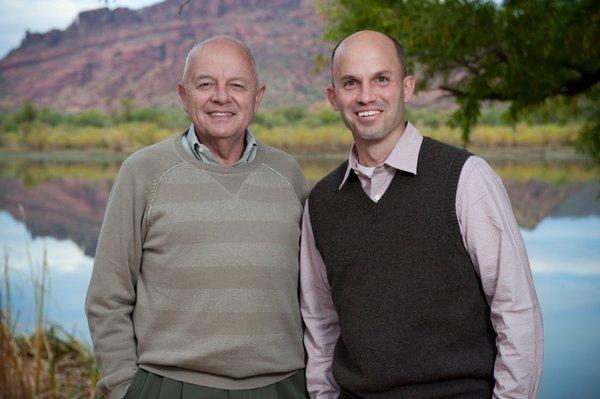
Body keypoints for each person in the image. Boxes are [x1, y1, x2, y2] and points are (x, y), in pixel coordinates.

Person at [300, 30, 543, 398]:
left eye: (381, 79)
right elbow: (321, 327)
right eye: (351, 83)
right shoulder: (321, 202)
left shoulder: (465, 178)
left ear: (407, 87)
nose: (366, 96)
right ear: (333, 97)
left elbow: (516, 310)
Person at [86, 36, 309, 399]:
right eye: (205, 84)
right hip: (170, 386)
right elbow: (107, 296)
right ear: (183, 94)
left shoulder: (289, 175)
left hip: (281, 386)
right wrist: (125, 387)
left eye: (237, 85)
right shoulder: (143, 172)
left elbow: (313, 296)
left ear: (258, 96)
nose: (221, 97)